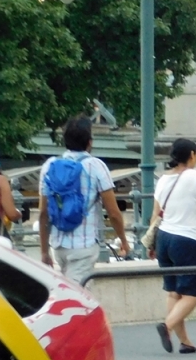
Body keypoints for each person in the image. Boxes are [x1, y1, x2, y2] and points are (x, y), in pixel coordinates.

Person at [150, 138, 196, 354]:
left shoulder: (163, 179)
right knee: (192, 294)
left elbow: (155, 215)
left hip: (164, 237)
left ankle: (185, 342)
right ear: (192, 155)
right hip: (188, 240)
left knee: (173, 292)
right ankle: (167, 326)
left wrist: (153, 242)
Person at [38, 116, 130, 281]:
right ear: (89, 142)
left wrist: (44, 251)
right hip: (84, 245)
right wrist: (123, 240)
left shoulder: (49, 166)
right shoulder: (96, 166)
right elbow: (113, 213)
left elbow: (43, 213)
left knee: (67, 293)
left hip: (58, 245)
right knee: (77, 300)